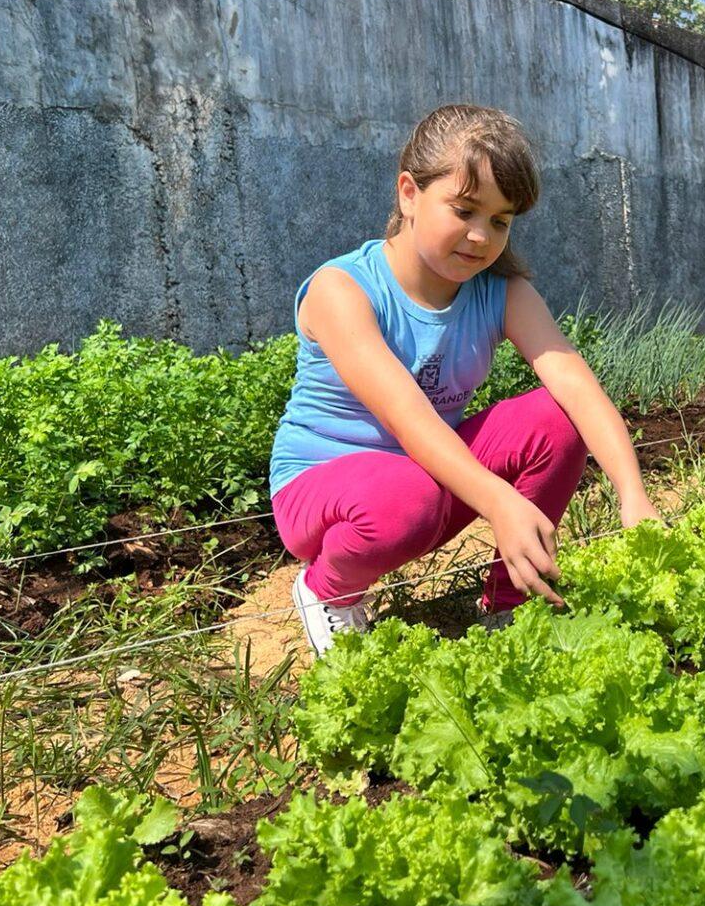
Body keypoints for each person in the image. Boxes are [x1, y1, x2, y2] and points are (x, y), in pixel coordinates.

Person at [269, 104, 661, 655]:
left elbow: (576, 386)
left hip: (429, 478)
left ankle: (512, 602)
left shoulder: (502, 291)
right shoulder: (343, 290)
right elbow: (407, 417)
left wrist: (633, 495)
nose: (481, 236)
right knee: (405, 496)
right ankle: (328, 590)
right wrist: (500, 503)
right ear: (409, 193)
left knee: (556, 418)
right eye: (464, 209)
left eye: (500, 221)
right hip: (323, 487)